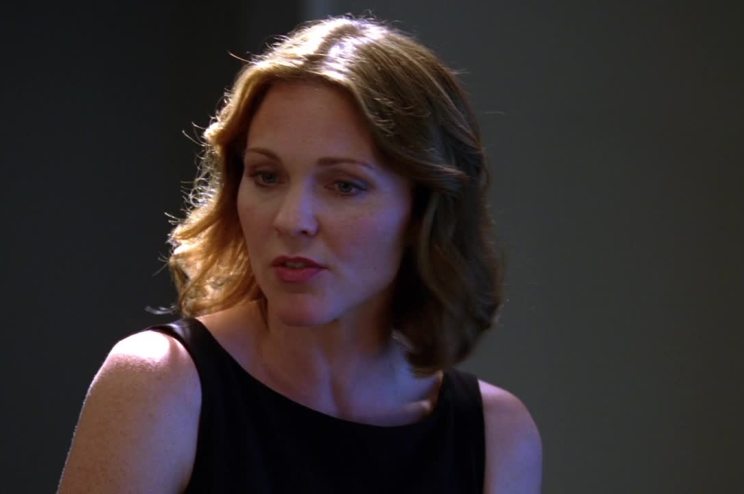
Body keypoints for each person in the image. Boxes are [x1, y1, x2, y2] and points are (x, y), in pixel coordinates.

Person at [59, 16, 542, 493]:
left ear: (423, 210)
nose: (291, 220)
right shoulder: (162, 384)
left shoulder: (496, 437)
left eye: (344, 185)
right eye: (267, 176)